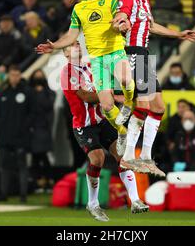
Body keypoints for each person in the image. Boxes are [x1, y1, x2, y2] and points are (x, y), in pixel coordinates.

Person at [36, 0, 137, 171]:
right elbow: (72, 34)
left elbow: (122, 13)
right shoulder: (79, 9)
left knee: (127, 82)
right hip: (97, 64)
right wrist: (55, 45)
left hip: (115, 50)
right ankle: (123, 129)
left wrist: (122, 23)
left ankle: (126, 106)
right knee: (107, 109)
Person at [112, 0, 195, 176]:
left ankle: (146, 157)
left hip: (143, 55)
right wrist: (119, 23)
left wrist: (178, 34)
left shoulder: (144, 1)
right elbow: (120, 16)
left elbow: (151, 27)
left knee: (158, 107)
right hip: (131, 54)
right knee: (142, 105)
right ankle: (128, 157)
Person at [60, 41, 149, 221]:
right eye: (71, 45)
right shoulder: (66, 73)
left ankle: (135, 199)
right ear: (66, 54)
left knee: (122, 155)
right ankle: (93, 203)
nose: (77, 45)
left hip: (103, 120)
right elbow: (85, 96)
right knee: (98, 158)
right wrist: (112, 95)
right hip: (84, 125)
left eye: (77, 43)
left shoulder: (92, 66)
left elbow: (110, 82)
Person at [0, 65, 33, 203]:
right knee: (4, 165)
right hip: (5, 136)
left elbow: (32, 113)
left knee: (22, 165)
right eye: (12, 75)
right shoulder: (2, 92)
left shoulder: (27, 91)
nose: (14, 78)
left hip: (21, 137)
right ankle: (3, 193)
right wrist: (0, 126)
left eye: (17, 75)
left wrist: (24, 129)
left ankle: (23, 195)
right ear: (8, 76)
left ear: (20, 76)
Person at [29, 69, 55, 193]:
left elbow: (48, 106)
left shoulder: (48, 93)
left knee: (42, 155)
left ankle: (46, 180)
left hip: (43, 128)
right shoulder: (29, 92)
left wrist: (40, 94)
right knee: (36, 156)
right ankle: (39, 181)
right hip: (32, 128)